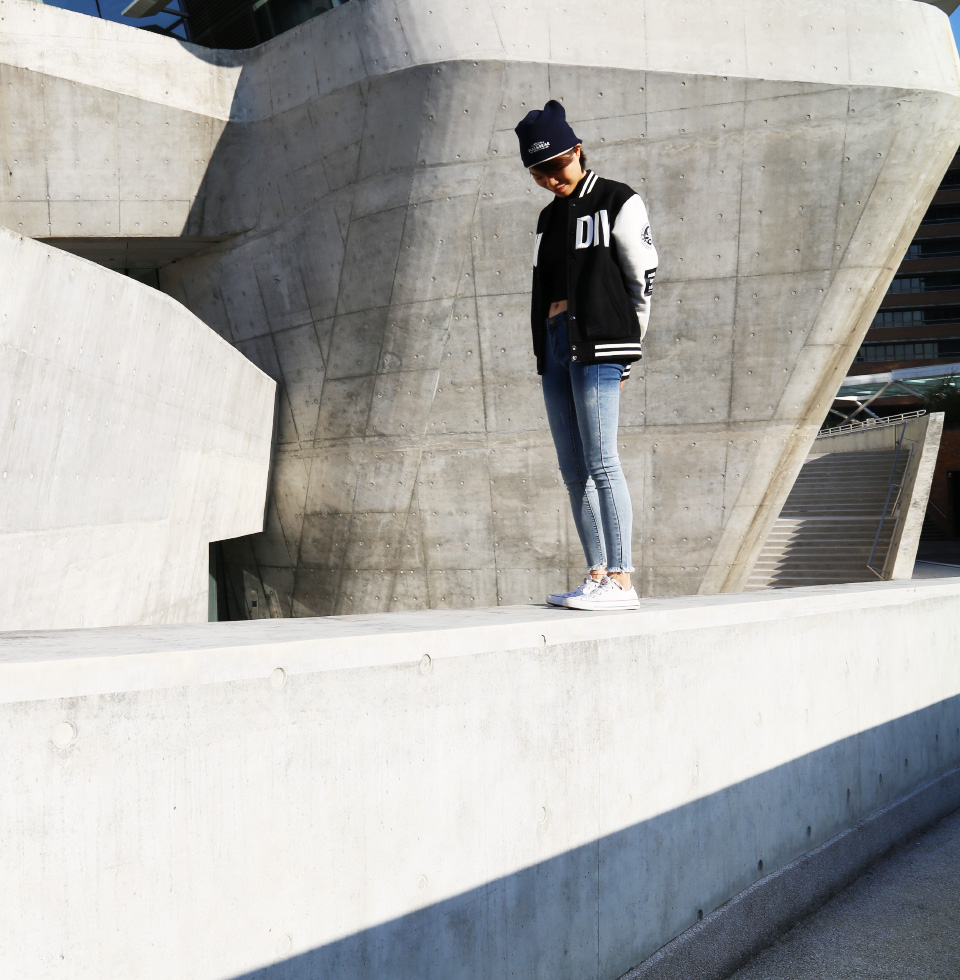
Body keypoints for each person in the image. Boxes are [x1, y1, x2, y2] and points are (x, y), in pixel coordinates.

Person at [514, 100, 657, 610]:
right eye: (538, 174)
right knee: (572, 468)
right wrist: (543, 346)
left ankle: (621, 580)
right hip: (556, 344)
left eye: (556, 166)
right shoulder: (547, 218)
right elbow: (543, 287)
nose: (551, 180)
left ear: (577, 150)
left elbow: (642, 276)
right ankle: (596, 574)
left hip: (601, 342)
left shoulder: (618, 199)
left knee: (601, 461)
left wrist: (629, 347)